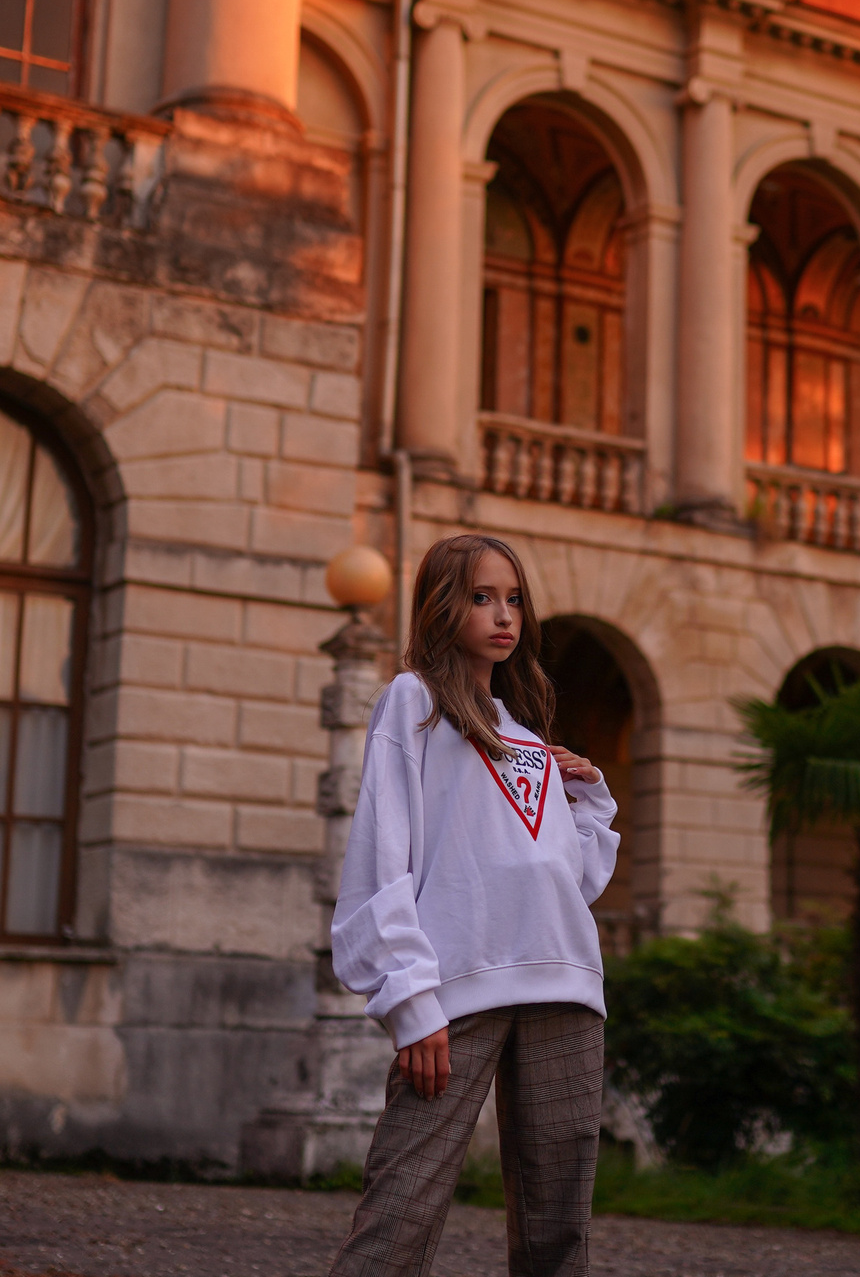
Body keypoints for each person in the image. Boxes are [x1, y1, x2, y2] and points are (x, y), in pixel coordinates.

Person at [326, 533, 621, 1277]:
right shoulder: (414, 702)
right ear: (441, 604)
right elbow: (382, 855)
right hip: (456, 986)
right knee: (399, 1212)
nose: (503, 615)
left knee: (559, 1232)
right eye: (481, 597)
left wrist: (587, 798)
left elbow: (569, 881)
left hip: (566, 984)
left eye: (514, 599)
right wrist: (409, 997)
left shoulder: (525, 733)